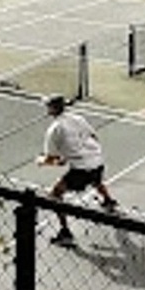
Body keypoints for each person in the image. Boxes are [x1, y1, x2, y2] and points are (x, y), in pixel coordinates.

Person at [36, 94, 118, 248]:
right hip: (98, 160)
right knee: (96, 180)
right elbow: (94, 136)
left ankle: (65, 233)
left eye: (48, 105)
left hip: (81, 169)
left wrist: (41, 161)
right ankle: (108, 202)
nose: (46, 108)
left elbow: (52, 159)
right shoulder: (78, 118)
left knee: (55, 195)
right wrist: (82, 153)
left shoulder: (54, 129)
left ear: (52, 109)